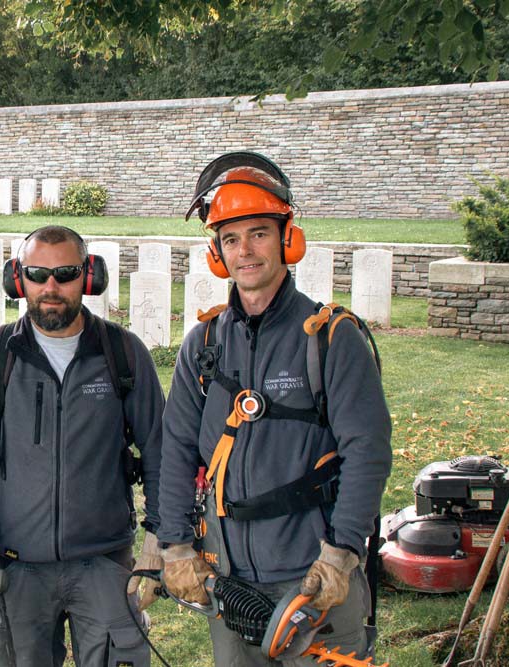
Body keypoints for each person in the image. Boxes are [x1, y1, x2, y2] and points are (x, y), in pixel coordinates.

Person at [157, 153, 392, 665]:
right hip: (230, 586)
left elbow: (367, 451)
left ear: (288, 239)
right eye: (231, 239)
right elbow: (174, 448)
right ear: (217, 252)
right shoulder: (202, 345)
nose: (246, 251)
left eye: (260, 233)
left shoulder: (331, 339)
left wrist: (341, 553)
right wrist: (175, 546)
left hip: (315, 582)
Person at [0, 225, 165, 666]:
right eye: (38, 273)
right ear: (17, 279)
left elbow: (161, 453)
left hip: (105, 564)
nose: (51, 287)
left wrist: (161, 537)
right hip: (15, 568)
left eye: (65, 273)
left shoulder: (124, 354)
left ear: (90, 276)